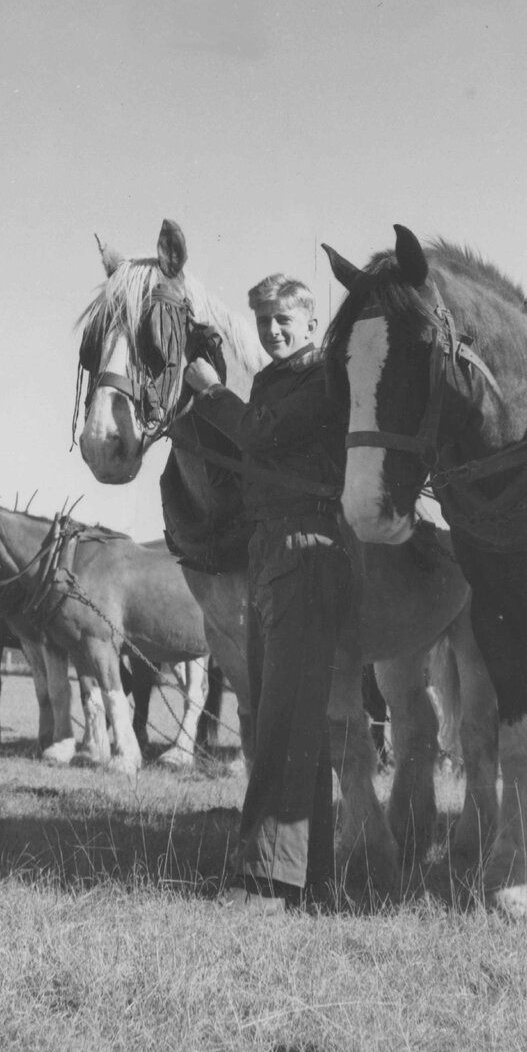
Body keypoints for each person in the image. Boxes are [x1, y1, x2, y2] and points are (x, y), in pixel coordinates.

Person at [184, 273, 352, 913]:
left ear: (310, 322)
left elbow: (260, 432)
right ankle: (311, 880)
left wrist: (211, 392)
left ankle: (265, 883)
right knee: (288, 715)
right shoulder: (275, 381)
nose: (274, 332)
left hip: (306, 549)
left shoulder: (321, 378)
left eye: (284, 320)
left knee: (283, 717)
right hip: (270, 551)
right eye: (264, 323)